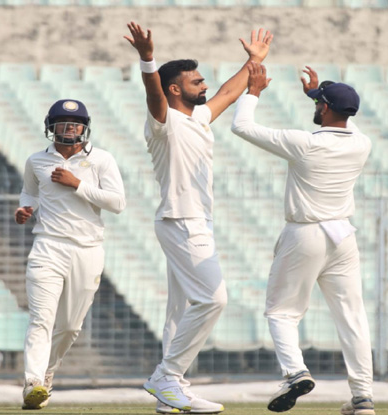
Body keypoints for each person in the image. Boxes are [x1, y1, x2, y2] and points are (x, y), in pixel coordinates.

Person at [124, 22, 273, 414]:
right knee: (213, 299)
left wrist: (252, 61)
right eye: (195, 81)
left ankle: (171, 393)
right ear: (176, 89)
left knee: (180, 310)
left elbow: (227, 92)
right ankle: (166, 376)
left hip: (194, 221)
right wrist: (147, 58)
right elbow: (153, 92)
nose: (204, 85)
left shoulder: (200, 117)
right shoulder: (164, 122)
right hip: (181, 219)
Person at [231, 63, 375, 415]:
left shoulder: (305, 143)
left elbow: (241, 126)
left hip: (306, 232)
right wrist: (317, 94)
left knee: (282, 311)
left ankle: (295, 372)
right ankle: (363, 398)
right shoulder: (362, 144)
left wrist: (254, 91)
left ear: (324, 109)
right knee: (352, 316)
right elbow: (346, 118)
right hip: (343, 235)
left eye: (318, 104)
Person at [14, 99, 126, 410]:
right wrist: (25, 209)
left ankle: (47, 373)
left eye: (75, 123)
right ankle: (32, 383)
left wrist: (77, 184)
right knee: (41, 319)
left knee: (70, 326)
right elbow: (30, 192)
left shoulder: (102, 160)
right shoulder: (37, 161)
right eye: (63, 122)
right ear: (51, 127)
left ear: (85, 127)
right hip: (48, 246)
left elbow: (117, 203)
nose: (70, 128)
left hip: (87, 249)